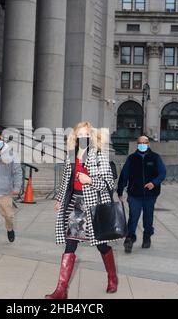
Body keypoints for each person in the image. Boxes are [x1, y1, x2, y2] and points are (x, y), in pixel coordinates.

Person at [46, 121, 117, 299]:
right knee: (70, 244)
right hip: (75, 205)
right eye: (80, 134)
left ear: (91, 136)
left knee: (101, 245)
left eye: (86, 134)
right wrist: (60, 199)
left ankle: (112, 277)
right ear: (75, 136)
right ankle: (61, 290)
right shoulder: (71, 155)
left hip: (94, 206)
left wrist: (90, 180)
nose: (83, 137)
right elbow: (65, 181)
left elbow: (109, 183)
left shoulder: (99, 154)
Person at [117, 135, 166, 254]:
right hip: (134, 194)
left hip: (150, 195)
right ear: (137, 144)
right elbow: (124, 175)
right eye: (140, 143)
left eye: (144, 143)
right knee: (133, 216)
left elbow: (162, 173)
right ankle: (129, 238)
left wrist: (154, 183)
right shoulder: (132, 158)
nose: (142, 145)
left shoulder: (155, 158)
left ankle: (147, 236)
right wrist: (120, 190)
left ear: (148, 144)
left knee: (148, 218)